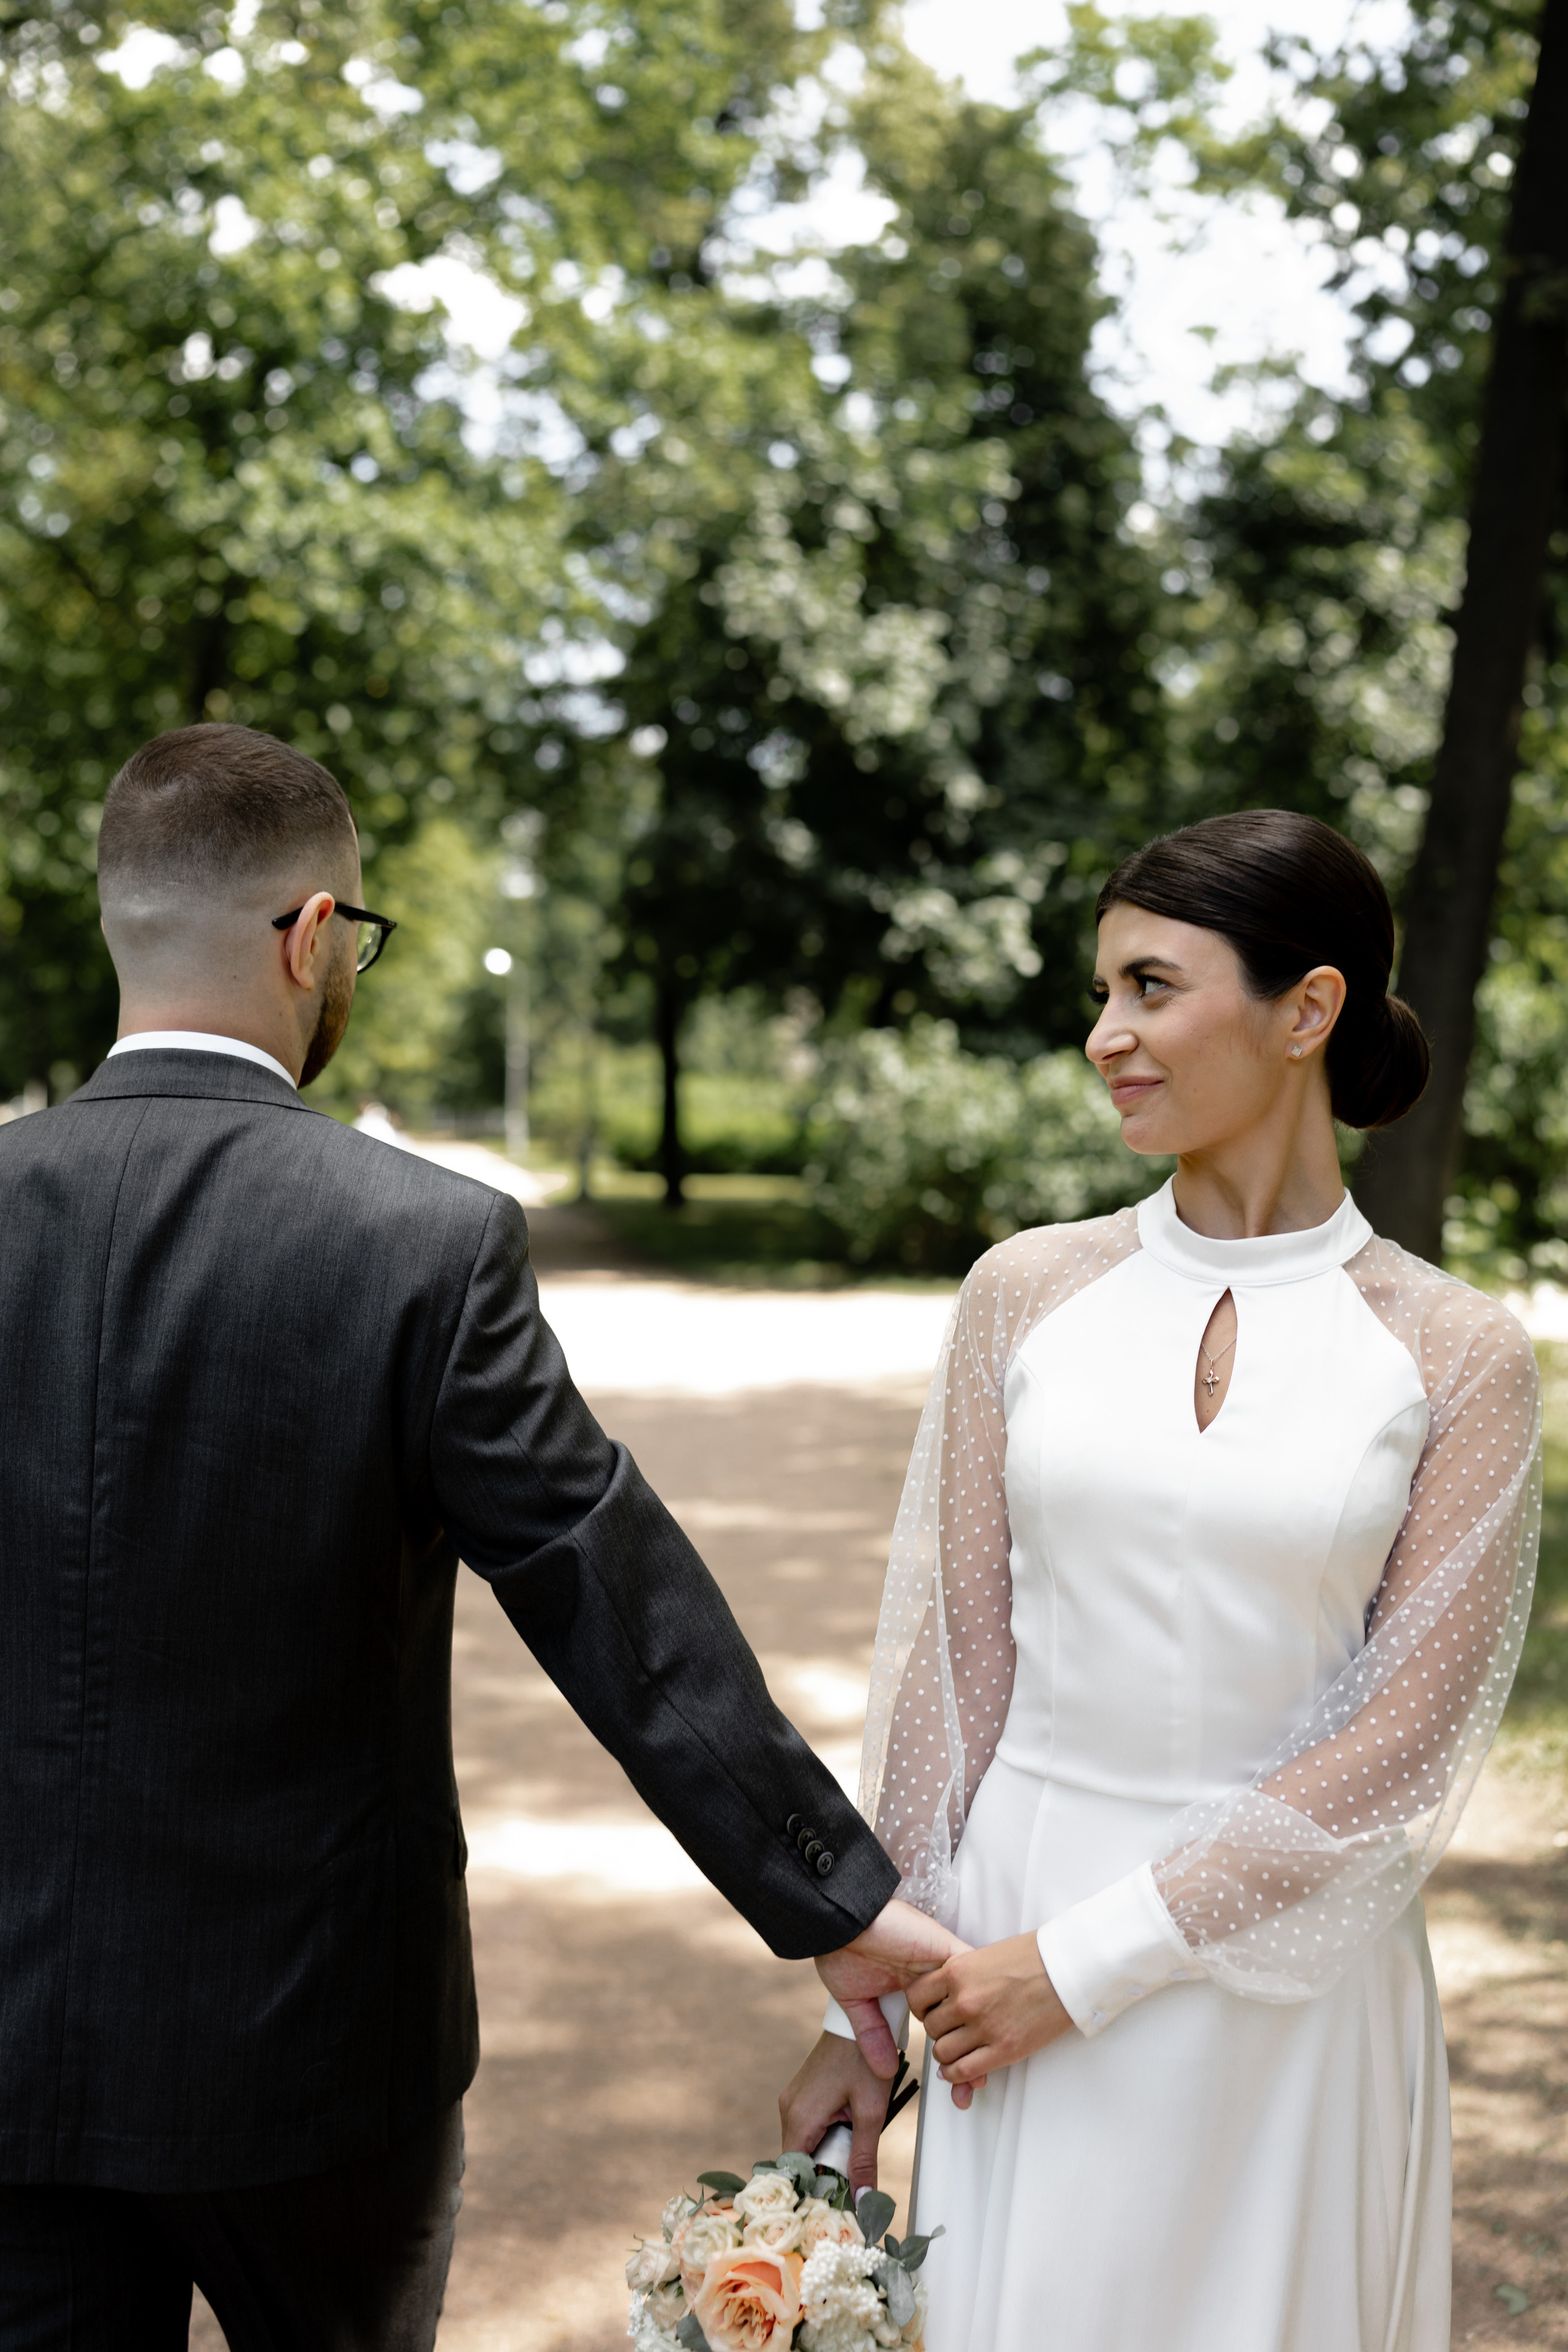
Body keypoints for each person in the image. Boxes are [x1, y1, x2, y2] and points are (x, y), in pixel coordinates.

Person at [0, 723, 952, 2351]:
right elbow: (605, 1590)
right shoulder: (423, 1242)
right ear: (312, 936)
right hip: (319, 2055)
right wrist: (835, 1902)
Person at [782, 809, 1542, 2352]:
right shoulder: (1025, 1292)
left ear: (1304, 1011)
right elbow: (955, 1675)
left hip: (1284, 1988)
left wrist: (1088, 1962)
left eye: (1147, 987)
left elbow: (1402, 1739)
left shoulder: (1454, 1351)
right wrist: (861, 2015)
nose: (1102, 1034)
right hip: (1001, 1968)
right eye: (1102, 994)